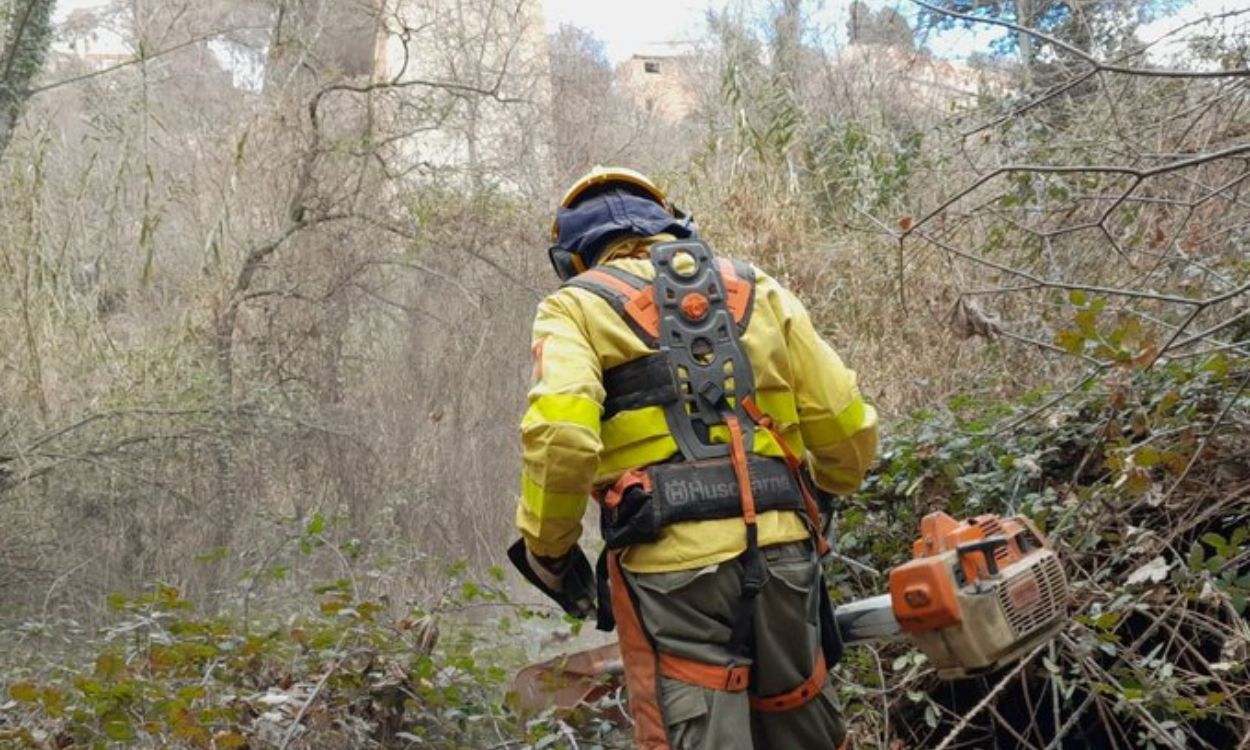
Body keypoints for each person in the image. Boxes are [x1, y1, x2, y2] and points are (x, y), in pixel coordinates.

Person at [513, 166, 878, 750]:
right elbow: (846, 424)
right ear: (674, 225)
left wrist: (549, 549)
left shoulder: (574, 307)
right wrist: (824, 490)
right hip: (785, 549)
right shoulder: (758, 288)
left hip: (671, 572)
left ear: (573, 257)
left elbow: (561, 438)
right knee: (801, 717)